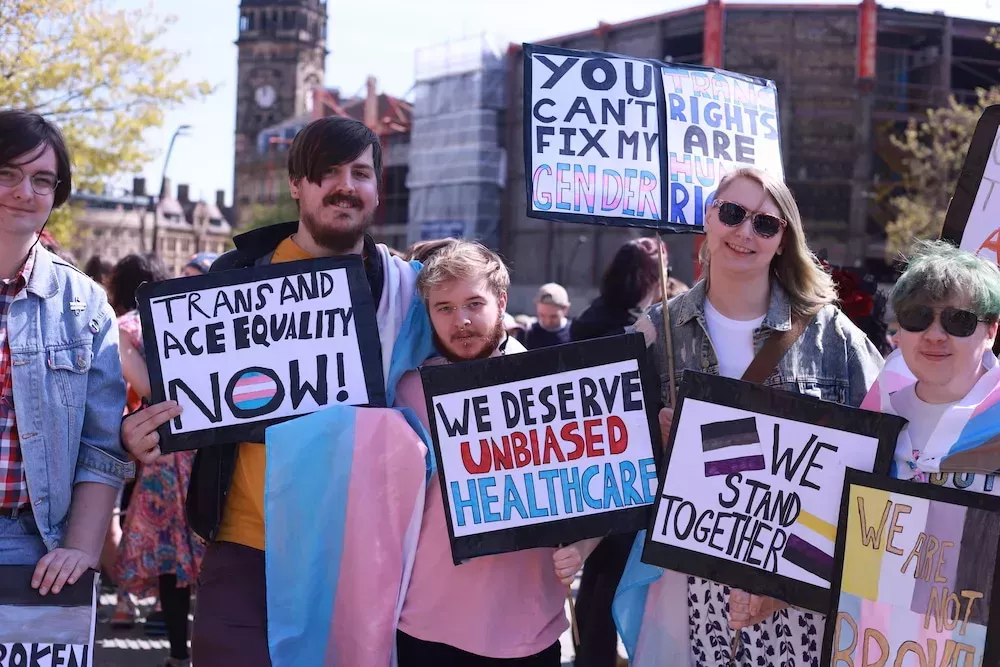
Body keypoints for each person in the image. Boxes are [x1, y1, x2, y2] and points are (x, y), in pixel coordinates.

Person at [120, 115, 430, 664]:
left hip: (353, 555)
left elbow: (473, 377)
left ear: (378, 190)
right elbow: (192, 397)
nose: (345, 185)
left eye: (361, 172)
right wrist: (146, 428)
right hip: (244, 546)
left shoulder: (408, 293)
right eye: (327, 171)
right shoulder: (237, 271)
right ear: (296, 185)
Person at [610, 167, 884, 667]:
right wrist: (656, 438)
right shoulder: (657, 333)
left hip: (797, 583)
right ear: (709, 218)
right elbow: (617, 456)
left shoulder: (833, 335)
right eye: (733, 214)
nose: (744, 233)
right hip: (692, 577)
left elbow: (880, 452)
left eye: (765, 224)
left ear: (783, 241)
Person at [393, 240, 597, 666]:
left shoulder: (551, 388)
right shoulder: (406, 393)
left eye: (473, 303)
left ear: (501, 301)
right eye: (444, 308)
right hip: (425, 631)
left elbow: (609, 489)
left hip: (528, 629)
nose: (461, 320)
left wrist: (582, 548)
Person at [0, 110, 132, 593]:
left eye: (42, 180)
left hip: (36, 550)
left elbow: (101, 443)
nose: (24, 192)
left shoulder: (86, 305)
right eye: (7, 174)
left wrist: (80, 549)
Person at [570, 236, 671, 667]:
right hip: (628, 461)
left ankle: (590, 653)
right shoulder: (633, 327)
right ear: (649, 278)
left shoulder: (593, 316)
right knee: (613, 571)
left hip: (596, 459)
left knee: (598, 569)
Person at [108, 253, 203, 667]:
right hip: (208, 449)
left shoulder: (126, 327)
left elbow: (147, 386)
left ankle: (180, 653)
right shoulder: (192, 319)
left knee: (171, 558)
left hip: (164, 454)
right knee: (210, 553)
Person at [863, 241, 1000, 492]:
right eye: (918, 317)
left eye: (958, 320)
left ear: (991, 330)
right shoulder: (877, 410)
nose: (934, 335)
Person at [524, 283, 572, 349]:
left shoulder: (575, 333)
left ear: (566, 309)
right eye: (542, 315)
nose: (547, 321)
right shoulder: (526, 334)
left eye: (553, 316)